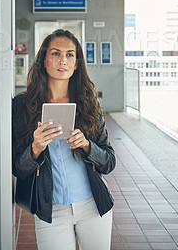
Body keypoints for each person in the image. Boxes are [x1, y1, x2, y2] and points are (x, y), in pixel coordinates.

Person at [12, 29, 116, 250]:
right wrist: (35, 149)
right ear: (43, 60)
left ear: (77, 63)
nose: (63, 60)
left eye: (70, 54)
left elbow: (109, 162)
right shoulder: (22, 106)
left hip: (93, 206)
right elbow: (18, 169)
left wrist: (87, 145)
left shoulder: (89, 105)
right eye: (56, 53)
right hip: (51, 210)